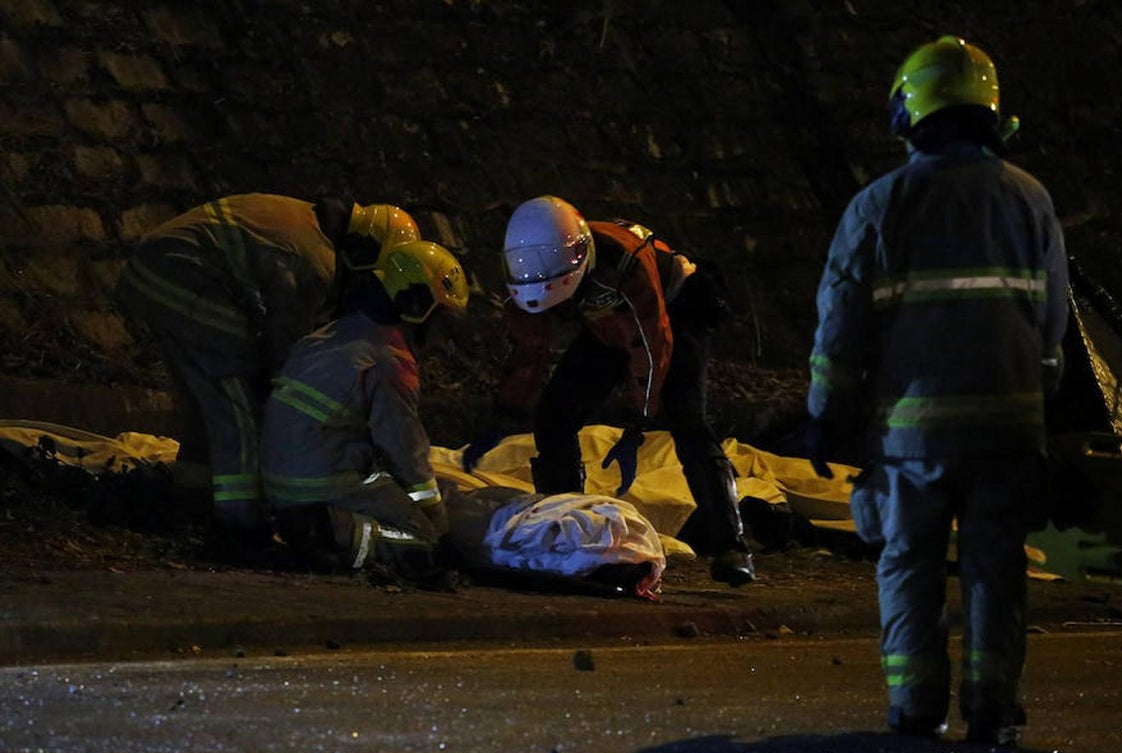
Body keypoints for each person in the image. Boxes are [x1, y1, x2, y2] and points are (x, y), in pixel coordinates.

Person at [805, 36, 1068, 745]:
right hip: (1008, 431)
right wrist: (1038, 398)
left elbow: (841, 325)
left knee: (909, 562)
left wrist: (825, 415)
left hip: (912, 437)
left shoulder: (879, 205)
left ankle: (917, 705)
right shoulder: (1031, 200)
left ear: (911, 108)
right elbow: (1051, 324)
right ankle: (992, 708)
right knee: (996, 568)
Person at [462, 195, 755, 586]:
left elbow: (651, 347)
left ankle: (731, 545)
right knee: (554, 415)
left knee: (687, 420)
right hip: (606, 321)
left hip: (673, 312)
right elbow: (527, 353)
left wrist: (638, 421)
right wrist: (505, 415)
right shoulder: (535, 276)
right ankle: (568, 527)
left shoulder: (625, 266)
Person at [115, 194, 421, 539]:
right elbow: (285, 347)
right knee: (238, 406)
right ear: (363, 253)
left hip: (152, 273)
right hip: (182, 282)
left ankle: (191, 492)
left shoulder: (301, 218)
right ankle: (240, 521)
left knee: (207, 399)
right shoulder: (316, 262)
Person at [259, 240, 469, 583]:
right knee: (423, 539)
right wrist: (438, 522)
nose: (441, 340)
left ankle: (320, 527)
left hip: (280, 485)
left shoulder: (331, 334)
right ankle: (336, 534)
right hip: (323, 484)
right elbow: (406, 452)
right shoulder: (390, 360)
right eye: (442, 323)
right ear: (420, 305)